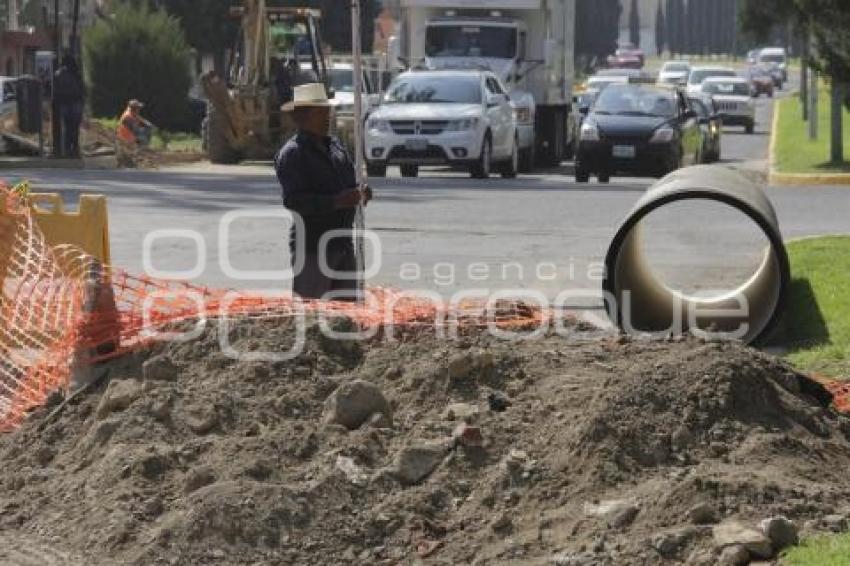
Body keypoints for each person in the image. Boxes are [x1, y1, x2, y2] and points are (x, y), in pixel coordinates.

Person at [274, 82, 372, 300]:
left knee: (345, 315)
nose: (328, 116)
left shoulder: (336, 148)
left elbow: (348, 185)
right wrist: (337, 201)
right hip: (313, 248)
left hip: (342, 244)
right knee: (312, 315)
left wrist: (360, 193)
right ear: (302, 116)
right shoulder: (293, 154)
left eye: (328, 111)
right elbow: (294, 201)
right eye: (321, 112)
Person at [52, 55, 86, 158]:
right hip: (76, 103)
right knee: (75, 128)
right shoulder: (76, 71)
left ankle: (66, 149)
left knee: (66, 128)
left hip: (64, 103)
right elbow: (82, 88)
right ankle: (75, 148)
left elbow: (55, 90)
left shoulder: (58, 73)